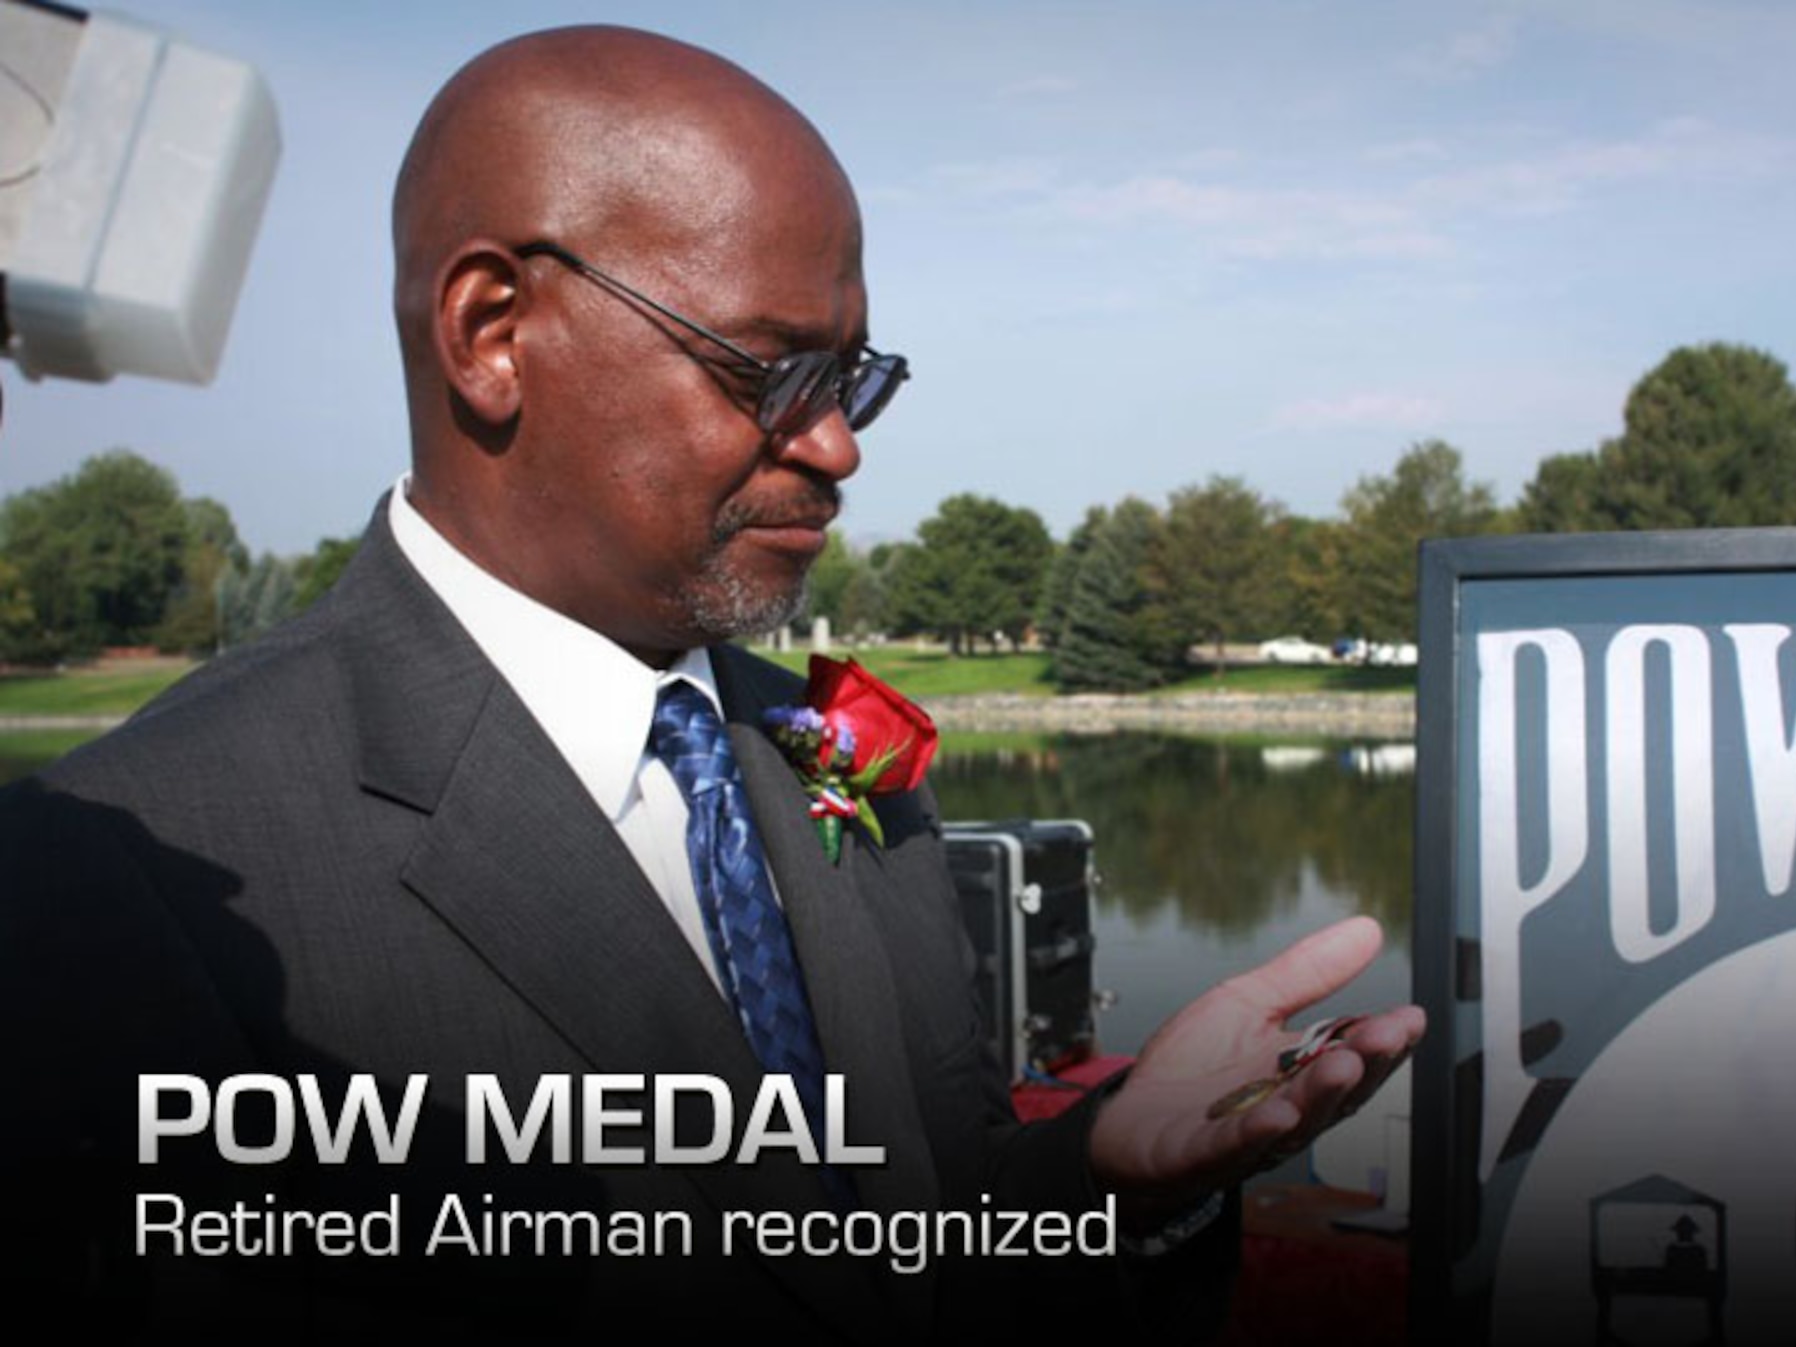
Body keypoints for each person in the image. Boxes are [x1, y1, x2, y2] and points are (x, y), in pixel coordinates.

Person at [0, 25, 1424, 1343]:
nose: (839, 451)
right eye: (775, 374)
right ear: (493, 334)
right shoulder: (138, 871)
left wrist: (1110, 1175)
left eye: (852, 381)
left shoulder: (836, 754)